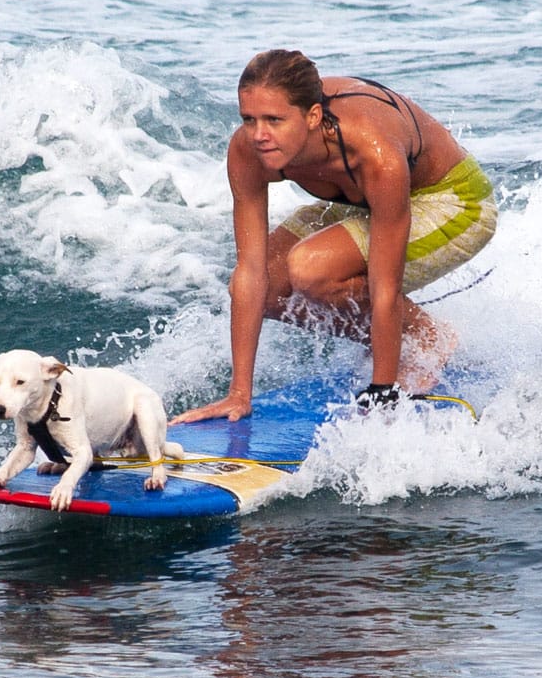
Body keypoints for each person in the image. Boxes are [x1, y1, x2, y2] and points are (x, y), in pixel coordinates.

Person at [170, 49, 496, 425]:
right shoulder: (248, 151)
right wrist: (238, 394)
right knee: (271, 288)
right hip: (363, 201)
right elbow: (250, 272)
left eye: (274, 120)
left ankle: (426, 336)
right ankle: (402, 338)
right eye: (249, 119)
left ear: (311, 116)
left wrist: (382, 392)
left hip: (452, 203)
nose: (259, 135)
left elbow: (384, 285)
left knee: (310, 268)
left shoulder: (373, 150)